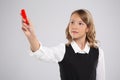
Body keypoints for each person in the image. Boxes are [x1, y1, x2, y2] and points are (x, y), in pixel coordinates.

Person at [21, 9, 105, 80]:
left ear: (88, 28)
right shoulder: (63, 50)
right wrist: (31, 35)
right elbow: (41, 53)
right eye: (72, 22)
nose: (74, 26)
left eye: (80, 23)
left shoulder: (98, 52)